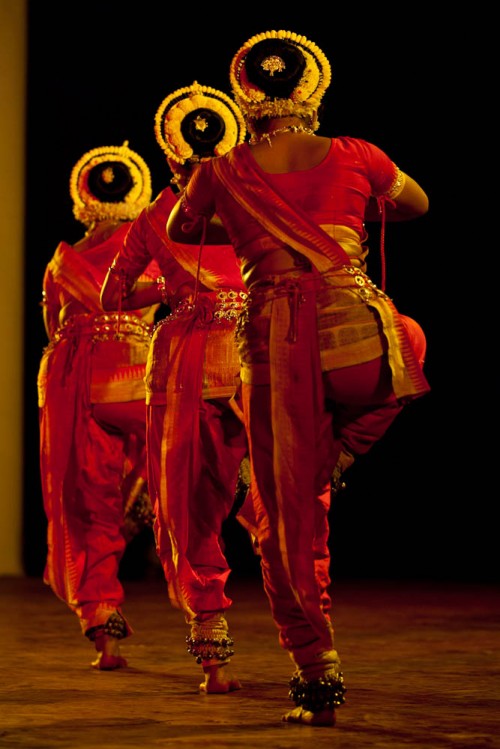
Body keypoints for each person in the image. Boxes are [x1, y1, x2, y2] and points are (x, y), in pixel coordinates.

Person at [166, 30, 431, 726]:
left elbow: (185, 228)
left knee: (287, 521)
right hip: (355, 339)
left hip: (276, 350)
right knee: (409, 342)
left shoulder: (219, 171)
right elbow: (418, 205)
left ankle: (316, 672)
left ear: (245, 97)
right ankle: (342, 452)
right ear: (311, 92)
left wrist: (249, 223)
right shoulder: (356, 154)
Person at [100, 82, 251, 694]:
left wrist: (167, 290)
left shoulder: (152, 218)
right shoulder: (256, 198)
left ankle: (213, 654)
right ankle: (314, 663)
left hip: (190, 355)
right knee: (285, 504)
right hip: (261, 347)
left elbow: (114, 297)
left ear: (168, 157)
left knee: (189, 507)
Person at [37, 142, 160, 670]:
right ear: (139, 192)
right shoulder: (150, 242)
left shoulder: (62, 261)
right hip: (137, 377)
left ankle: (103, 622)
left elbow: (51, 328)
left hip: (74, 382)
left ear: (82, 196)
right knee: (186, 470)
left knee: (86, 503)